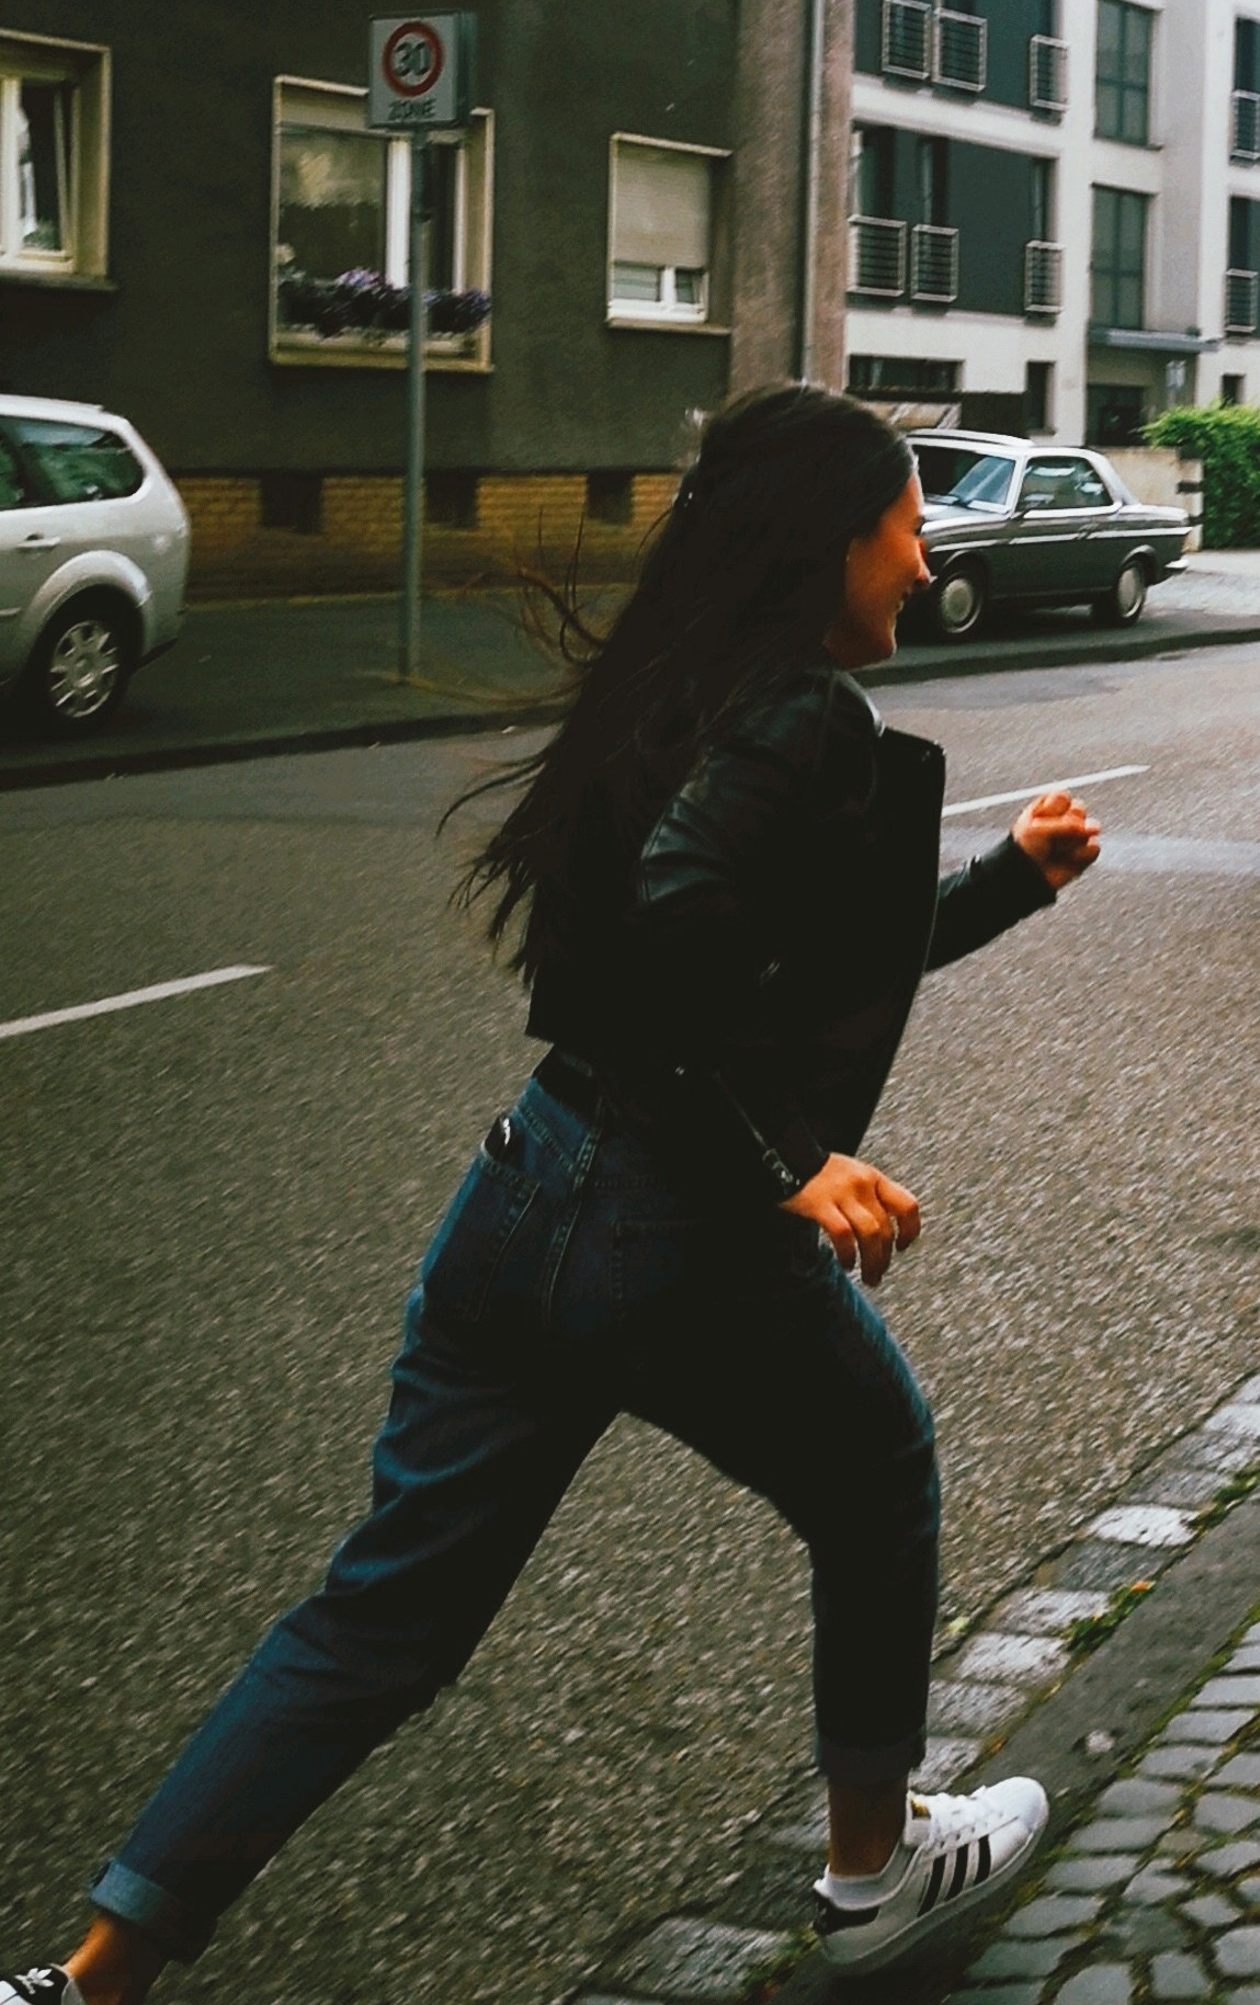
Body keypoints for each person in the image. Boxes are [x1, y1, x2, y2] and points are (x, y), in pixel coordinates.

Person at [13, 384, 1103, 2005]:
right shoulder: (805, 714)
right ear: (831, 542)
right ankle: (875, 1871)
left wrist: (1011, 878)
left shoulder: (683, 692)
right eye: (906, 522)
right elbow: (669, 930)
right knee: (879, 1470)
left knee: (381, 1617)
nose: (925, 554)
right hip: (674, 1223)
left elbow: (779, 969)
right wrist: (785, 1161)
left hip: (533, 1187)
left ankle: (93, 1976)